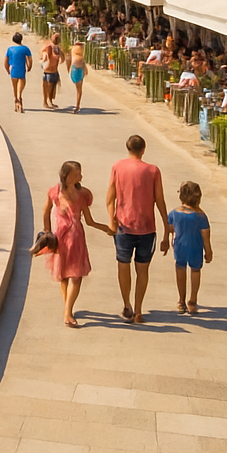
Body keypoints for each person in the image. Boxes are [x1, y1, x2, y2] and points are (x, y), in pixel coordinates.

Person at [106, 134, 171, 324]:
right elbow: (160, 200)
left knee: (123, 265)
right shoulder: (153, 171)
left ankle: (127, 304)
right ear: (143, 149)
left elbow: (110, 198)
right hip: (146, 228)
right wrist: (166, 228)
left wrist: (112, 220)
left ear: (128, 148)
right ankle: (139, 310)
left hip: (123, 227)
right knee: (143, 270)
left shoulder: (117, 167)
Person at [41, 160, 113, 327]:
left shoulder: (82, 195)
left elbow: (88, 220)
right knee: (64, 275)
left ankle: (67, 310)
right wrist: (46, 231)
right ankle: (68, 309)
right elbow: (45, 212)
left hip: (77, 239)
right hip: (61, 238)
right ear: (68, 176)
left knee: (76, 275)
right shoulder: (55, 192)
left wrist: (105, 228)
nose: (81, 176)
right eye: (77, 174)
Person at [168, 181, 212, 314]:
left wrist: (168, 239)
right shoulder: (201, 216)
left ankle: (181, 300)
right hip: (196, 248)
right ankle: (192, 301)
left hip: (180, 246)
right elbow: (206, 236)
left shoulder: (174, 213)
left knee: (180, 269)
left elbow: (170, 229)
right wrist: (208, 251)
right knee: (195, 271)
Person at [4, 32, 33, 113]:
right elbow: (29, 59)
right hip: (21, 69)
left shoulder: (10, 49)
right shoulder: (25, 49)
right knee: (21, 85)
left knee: (14, 87)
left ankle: (16, 100)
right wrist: (29, 67)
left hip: (13, 69)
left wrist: (7, 69)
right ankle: (20, 97)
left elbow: (6, 61)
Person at [41, 33, 64, 110]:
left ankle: (50, 101)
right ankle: (45, 102)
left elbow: (62, 57)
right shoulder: (49, 47)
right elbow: (45, 54)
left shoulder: (57, 48)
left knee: (53, 88)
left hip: (55, 70)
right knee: (47, 88)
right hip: (49, 71)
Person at [67, 41, 88, 113]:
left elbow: (69, 59)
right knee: (78, 88)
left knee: (78, 88)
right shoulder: (76, 50)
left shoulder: (75, 50)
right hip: (77, 67)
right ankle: (77, 105)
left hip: (78, 68)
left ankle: (77, 105)